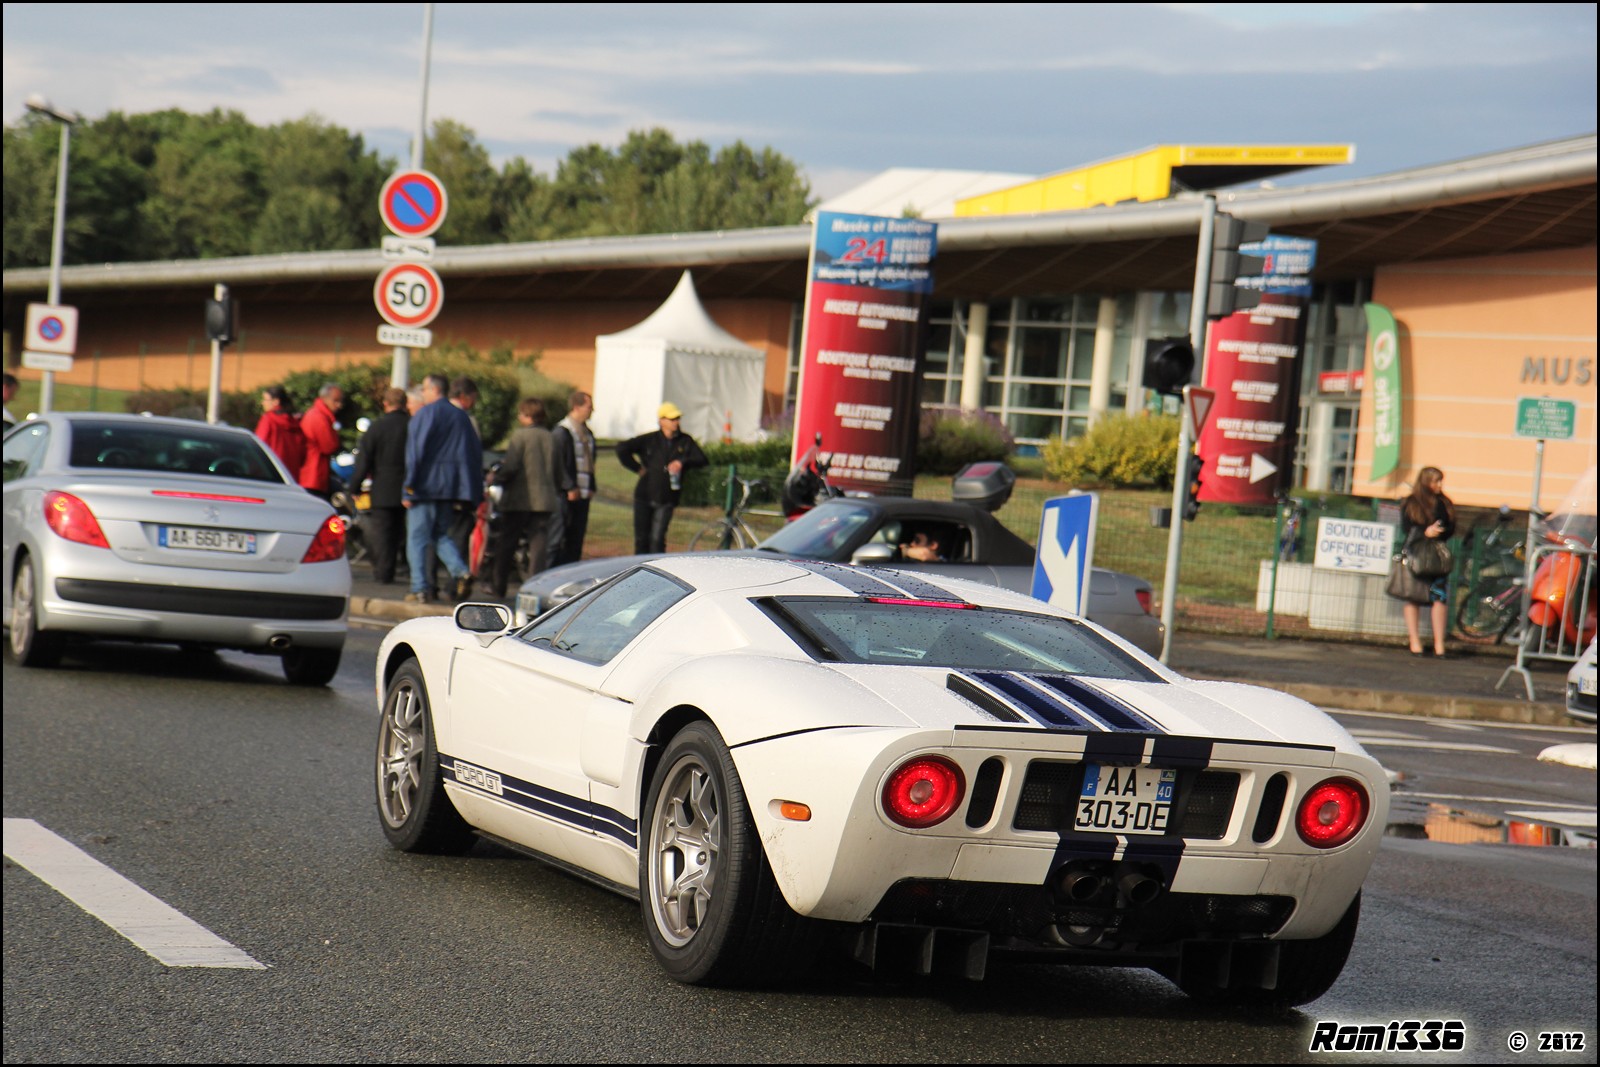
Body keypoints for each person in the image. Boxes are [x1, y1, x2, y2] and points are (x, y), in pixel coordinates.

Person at [403, 373, 482, 603]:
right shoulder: (461, 417)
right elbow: (472, 455)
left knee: (417, 538)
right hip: (450, 488)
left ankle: (419, 587)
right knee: (440, 534)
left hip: (425, 486)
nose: (423, 394)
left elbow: (415, 453)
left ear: (433, 389)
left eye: (424, 389)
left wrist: (408, 487)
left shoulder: (425, 414)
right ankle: (461, 572)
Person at [617, 402, 708, 554]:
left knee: (657, 539)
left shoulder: (685, 441)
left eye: (677, 418)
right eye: (672, 419)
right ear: (661, 421)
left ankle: (657, 571)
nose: (676, 422)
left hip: (667, 498)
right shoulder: (650, 439)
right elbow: (622, 448)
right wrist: (637, 468)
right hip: (644, 496)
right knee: (641, 539)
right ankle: (639, 571)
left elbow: (702, 459)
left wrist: (682, 462)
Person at [490, 398, 558, 597]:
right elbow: (558, 469)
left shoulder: (520, 436)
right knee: (538, 546)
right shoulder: (550, 437)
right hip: (544, 499)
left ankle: (498, 585)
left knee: (507, 542)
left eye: (521, 413)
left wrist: (498, 478)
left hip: (520, 498)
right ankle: (534, 589)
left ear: (528, 415)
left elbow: (511, 466)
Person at [350, 387, 409, 584]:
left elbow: (364, 460)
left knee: (382, 532)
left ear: (385, 404)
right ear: (405, 403)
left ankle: (384, 572)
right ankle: (403, 566)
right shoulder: (412, 426)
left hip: (382, 487)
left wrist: (355, 486)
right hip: (408, 487)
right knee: (403, 531)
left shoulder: (377, 427)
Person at [1400, 466, 1456, 657]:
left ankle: (1439, 644)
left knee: (1439, 598)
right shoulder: (1412, 503)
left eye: (1440, 480)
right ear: (1426, 482)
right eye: (1435, 481)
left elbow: (1451, 526)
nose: (1439, 485)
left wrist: (1441, 530)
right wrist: (1425, 531)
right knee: (1413, 596)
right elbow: (1406, 527)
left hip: (1436, 557)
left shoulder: (1444, 502)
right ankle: (1414, 641)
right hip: (1417, 555)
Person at [548, 390, 597, 567]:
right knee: (558, 538)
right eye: (589, 407)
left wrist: (591, 486)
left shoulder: (587, 433)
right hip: (565, 495)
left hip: (583, 494)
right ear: (576, 407)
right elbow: (558, 463)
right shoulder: (563, 432)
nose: (592, 410)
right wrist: (569, 486)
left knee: (576, 540)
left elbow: (590, 463)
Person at [298, 382, 344, 498]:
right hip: (313, 475)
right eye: (336, 400)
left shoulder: (318, 414)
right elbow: (329, 446)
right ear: (325, 399)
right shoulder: (319, 417)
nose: (339, 405)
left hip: (312, 474)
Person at [254, 385, 306, 476]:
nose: (262, 403)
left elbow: (258, 447)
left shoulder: (268, 419)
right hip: (291, 475)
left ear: (276, 402)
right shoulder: (295, 423)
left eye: (265, 399)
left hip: (270, 472)